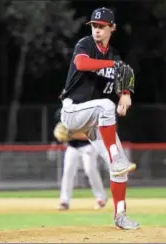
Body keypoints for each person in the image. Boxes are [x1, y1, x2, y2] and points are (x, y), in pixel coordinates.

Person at [57, 7, 139, 230]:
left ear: (112, 28)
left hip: (94, 122)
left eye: (102, 26)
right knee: (105, 105)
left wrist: (126, 95)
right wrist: (114, 65)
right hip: (73, 111)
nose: (97, 30)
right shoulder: (85, 44)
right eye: (94, 25)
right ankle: (116, 157)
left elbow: (124, 75)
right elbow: (82, 64)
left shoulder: (114, 56)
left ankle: (120, 216)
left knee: (119, 170)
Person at [58, 137, 108, 210]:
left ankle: (101, 198)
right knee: (67, 172)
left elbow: (88, 134)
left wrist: (70, 134)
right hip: (72, 146)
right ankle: (64, 201)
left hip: (89, 145)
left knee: (90, 170)